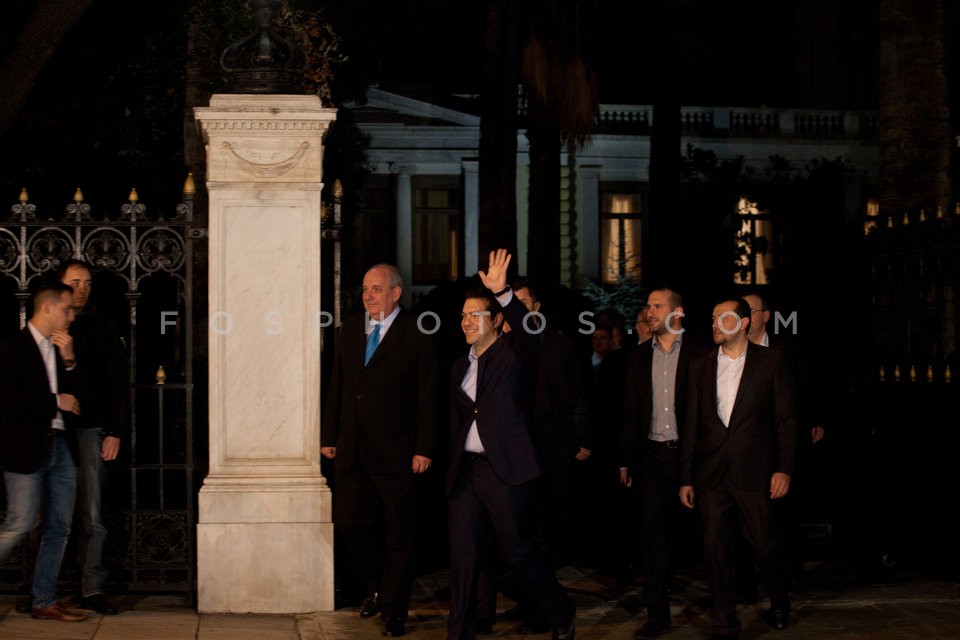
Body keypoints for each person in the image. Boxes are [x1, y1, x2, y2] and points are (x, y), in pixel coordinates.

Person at [445, 249, 575, 640]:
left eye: (475, 315)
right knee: (463, 557)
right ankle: (459, 634)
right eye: (464, 315)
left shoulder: (515, 355)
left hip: (505, 472)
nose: (467, 321)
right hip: (467, 474)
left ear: (497, 320)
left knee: (517, 552)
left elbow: (530, 333)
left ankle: (560, 611)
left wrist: (503, 293)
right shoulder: (459, 366)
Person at [322, 263, 439, 638]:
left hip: (398, 456)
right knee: (350, 523)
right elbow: (339, 384)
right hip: (353, 450)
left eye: (375, 289)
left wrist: (424, 447)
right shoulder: (352, 327)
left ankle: (395, 611)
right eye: (365, 289)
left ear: (396, 293)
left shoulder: (417, 333)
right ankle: (377, 586)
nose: (368, 296)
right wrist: (329, 434)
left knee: (400, 536)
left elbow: (428, 397)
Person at [474, 279, 592, 635]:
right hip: (503, 458)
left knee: (536, 537)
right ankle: (492, 612)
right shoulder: (494, 346)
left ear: (535, 308)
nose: (515, 310)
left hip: (545, 455)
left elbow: (575, 395)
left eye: (522, 303)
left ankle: (543, 610)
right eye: (509, 304)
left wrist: (581, 439)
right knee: (500, 538)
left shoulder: (557, 345)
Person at [679, 297, 797, 640]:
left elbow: (786, 420)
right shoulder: (700, 365)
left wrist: (784, 468)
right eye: (713, 317)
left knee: (765, 545)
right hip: (711, 473)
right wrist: (686, 477)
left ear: (744, 322)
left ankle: (779, 600)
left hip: (755, 471)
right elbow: (691, 425)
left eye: (724, 317)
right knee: (715, 550)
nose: (716, 323)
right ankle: (724, 623)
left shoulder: (771, 361)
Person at [619, 287, 707, 637]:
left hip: (694, 455)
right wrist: (625, 460)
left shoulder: (701, 352)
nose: (650, 312)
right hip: (653, 456)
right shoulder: (639, 357)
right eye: (648, 306)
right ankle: (657, 614)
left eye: (657, 306)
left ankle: (722, 608)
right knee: (653, 538)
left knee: (707, 534)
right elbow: (631, 411)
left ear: (678, 312)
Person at [0, 281, 86, 622]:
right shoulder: (12, 347)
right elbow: (8, 400)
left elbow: (78, 401)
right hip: (25, 448)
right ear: (47, 308)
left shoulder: (62, 348)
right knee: (19, 522)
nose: (71, 317)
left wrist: (69, 362)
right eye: (67, 309)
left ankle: (44, 599)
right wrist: (54, 402)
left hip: (61, 446)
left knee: (60, 526)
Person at [58, 259, 126, 615]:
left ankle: (92, 588)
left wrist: (114, 431)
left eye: (86, 283)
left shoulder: (103, 327)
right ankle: (45, 587)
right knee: (50, 514)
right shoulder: (49, 325)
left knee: (93, 513)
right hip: (53, 428)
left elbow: (117, 384)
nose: (82, 289)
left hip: (90, 427)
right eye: (75, 282)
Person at [743, 291, 825, 592]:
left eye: (750, 311)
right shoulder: (732, 350)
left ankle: (791, 572)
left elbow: (805, 385)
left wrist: (815, 419)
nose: (744, 316)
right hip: (747, 444)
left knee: (785, 510)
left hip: (780, 441)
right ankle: (748, 578)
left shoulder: (786, 349)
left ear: (765, 316)